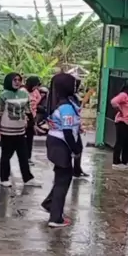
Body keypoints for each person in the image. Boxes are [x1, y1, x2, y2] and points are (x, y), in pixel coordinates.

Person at [41, 73, 81, 227]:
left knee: (62, 178)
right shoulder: (66, 107)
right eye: (74, 84)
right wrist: (76, 150)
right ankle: (56, 218)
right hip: (61, 145)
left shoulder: (58, 103)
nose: (76, 86)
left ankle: (50, 203)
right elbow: (67, 132)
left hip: (55, 142)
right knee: (63, 181)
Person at [0, 72, 38, 188]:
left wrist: (33, 124)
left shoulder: (24, 94)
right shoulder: (2, 96)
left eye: (19, 80)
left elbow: (28, 111)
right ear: (9, 81)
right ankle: (4, 178)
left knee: (23, 156)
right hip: (7, 131)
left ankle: (28, 178)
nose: (17, 82)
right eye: (15, 80)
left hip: (20, 131)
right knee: (6, 156)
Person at [111, 80, 128, 167]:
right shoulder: (124, 95)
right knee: (120, 142)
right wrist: (120, 110)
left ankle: (125, 161)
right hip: (122, 122)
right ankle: (116, 162)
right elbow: (113, 102)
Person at [71, 79, 89, 179]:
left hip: (75, 126)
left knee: (78, 148)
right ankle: (73, 170)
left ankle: (77, 170)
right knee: (73, 148)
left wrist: (79, 126)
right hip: (69, 126)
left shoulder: (75, 96)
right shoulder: (70, 97)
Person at [24, 75, 42, 163]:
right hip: (24, 118)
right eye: (35, 85)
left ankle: (28, 158)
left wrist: (34, 105)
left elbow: (39, 98)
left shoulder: (35, 91)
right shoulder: (23, 92)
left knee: (30, 139)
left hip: (32, 116)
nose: (36, 88)